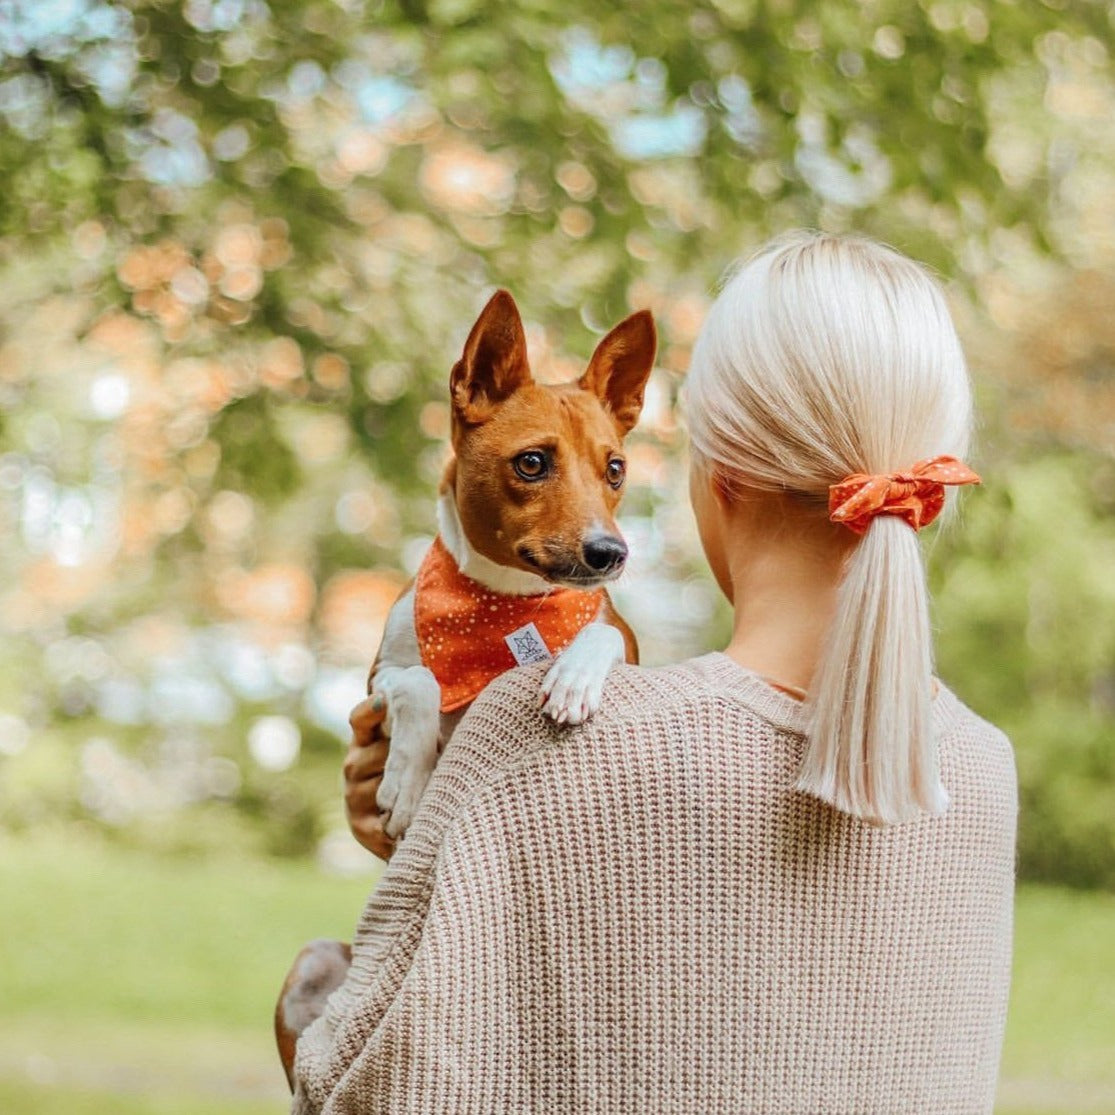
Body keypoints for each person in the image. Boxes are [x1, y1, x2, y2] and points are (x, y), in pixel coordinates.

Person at [288, 232, 1017, 1114]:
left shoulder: (534, 737)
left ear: (722, 472)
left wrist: (309, 1008)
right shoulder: (981, 771)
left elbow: (363, 1089)